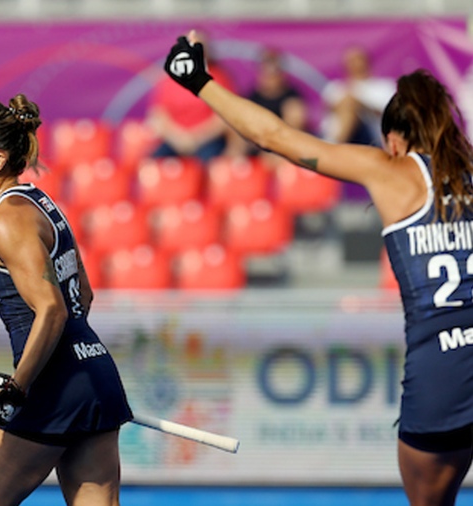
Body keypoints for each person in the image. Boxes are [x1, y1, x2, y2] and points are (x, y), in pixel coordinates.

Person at [163, 31, 473, 506]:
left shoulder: (391, 171)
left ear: (394, 139)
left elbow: (275, 138)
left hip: (442, 368)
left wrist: (198, 80)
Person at [0, 95, 132, 506]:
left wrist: (19, 386)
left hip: (53, 385)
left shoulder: (8, 220)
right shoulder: (39, 202)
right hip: (94, 373)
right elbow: (83, 293)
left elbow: (53, 308)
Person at [145, 32, 241, 165]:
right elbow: (159, 115)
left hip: (208, 141)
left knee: (208, 165)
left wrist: (195, 139)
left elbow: (224, 118)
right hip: (175, 141)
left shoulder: (220, 79)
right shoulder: (168, 80)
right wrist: (179, 139)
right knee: (153, 163)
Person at [321, 46, 395, 147]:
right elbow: (331, 109)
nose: (354, 63)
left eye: (358, 59)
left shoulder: (384, 87)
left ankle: (330, 147)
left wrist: (358, 105)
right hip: (340, 134)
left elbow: (387, 114)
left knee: (350, 107)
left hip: (370, 137)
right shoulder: (335, 88)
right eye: (351, 60)